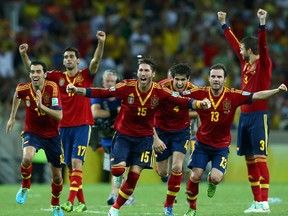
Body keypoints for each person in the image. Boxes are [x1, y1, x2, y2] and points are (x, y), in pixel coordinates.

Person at [66, 57, 211, 216]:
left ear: (152, 74)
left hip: (144, 139)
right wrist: (78, 90)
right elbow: (103, 92)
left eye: (146, 70)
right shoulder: (127, 87)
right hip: (124, 136)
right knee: (117, 170)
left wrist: (199, 104)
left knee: (135, 176)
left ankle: (115, 208)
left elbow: (181, 100)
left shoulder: (159, 91)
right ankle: (120, 176)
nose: (142, 73)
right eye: (141, 70)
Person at [181, 63, 287, 216]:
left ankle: (212, 181)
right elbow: (177, 96)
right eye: (213, 76)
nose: (216, 79)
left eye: (219, 77)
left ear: (225, 79)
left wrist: (277, 91)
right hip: (202, 144)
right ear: (209, 78)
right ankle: (192, 208)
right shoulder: (199, 93)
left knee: (216, 178)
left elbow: (256, 95)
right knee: (195, 176)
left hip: (221, 147)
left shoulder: (233, 95)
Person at [18, 31, 106, 212]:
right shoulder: (57, 77)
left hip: (82, 124)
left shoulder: (85, 76)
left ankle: (69, 201)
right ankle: (81, 202)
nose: (68, 59)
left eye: (72, 57)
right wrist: (24, 55)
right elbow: (34, 72)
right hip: (63, 127)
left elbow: (96, 61)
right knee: (69, 166)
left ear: (78, 60)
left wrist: (101, 43)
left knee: (76, 163)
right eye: (66, 57)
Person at [217, 9, 272, 213]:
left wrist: (262, 22)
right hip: (245, 117)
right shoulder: (244, 64)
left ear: (249, 50)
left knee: (260, 158)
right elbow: (233, 44)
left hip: (259, 117)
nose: (239, 51)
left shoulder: (264, 64)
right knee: (249, 160)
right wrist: (224, 25)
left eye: (242, 49)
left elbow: (263, 46)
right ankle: (256, 201)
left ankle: (265, 202)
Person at [6, 60, 65, 216]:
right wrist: (12, 117)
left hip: (52, 135)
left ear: (45, 74)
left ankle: (55, 204)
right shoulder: (23, 88)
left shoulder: (52, 88)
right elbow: (17, 95)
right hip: (32, 132)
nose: (35, 75)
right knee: (27, 158)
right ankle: (25, 185)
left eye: (38, 72)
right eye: (32, 72)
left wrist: (41, 107)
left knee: (58, 177)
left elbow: (59, 116)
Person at [153, 63, 197, 216]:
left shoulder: (193, 89)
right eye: (176, 79)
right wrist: (154, 137)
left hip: (181, 132)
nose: (179, 83)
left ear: (188, 79)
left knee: (177, 167)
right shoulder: (161, 87)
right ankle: (161, 169)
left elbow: (200, 109)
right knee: (163, 173)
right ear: (171, 78)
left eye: (182, 80)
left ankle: (168, 206)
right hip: (161, 132)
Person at [90, 69, 136, 206]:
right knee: (115, 168)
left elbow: (129, 110)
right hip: (107, 137)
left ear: (116, 82)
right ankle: (118, 193)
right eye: (107, 81)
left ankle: (124, 194)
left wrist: (114, 113)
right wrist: (115, 112)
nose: (110, 84)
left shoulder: (122, 94)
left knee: (125, 165)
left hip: (124, 135)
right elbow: (95, 113)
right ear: (103, 82)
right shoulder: (99, 94)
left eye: (112, 81)